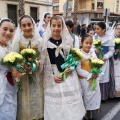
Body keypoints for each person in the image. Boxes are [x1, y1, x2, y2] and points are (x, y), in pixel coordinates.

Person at [41, 15, 85, 120]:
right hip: (53, 74)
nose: (56, 28)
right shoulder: (45, 42)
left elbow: (73, 58)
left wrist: (71, 67)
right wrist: (51, 76)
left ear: (63, 27)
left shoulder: (68, 41)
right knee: (56, 103)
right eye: (54, 25)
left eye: (59, 25)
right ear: (50, 26)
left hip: (68, 74)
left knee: (69, 102)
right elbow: (44, 63)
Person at [12, 15, 44, 120]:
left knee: (36, 96)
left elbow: (42, 57)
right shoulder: (17, 41)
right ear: (20, 27)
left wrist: (36, 64)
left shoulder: (39, 40)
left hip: (36, 75)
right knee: (24, 98)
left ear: (33, 25)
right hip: (23, 77)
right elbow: (14, 57)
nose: (27, 27)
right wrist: (21, 66)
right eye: (24, 25)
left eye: (29, 24)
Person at [76, 35, 101, 120]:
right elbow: (78, 69)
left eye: (90, 43)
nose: (88, 45)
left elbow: (96, 63)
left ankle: (90, 114)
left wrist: (96, 72)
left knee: (92, 96)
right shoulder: (78, 54)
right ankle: (83, 114)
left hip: (93, 79)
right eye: (86, 43)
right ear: (81, 43)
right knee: (84, 97)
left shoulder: (92, 52)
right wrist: (89, 75)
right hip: (83, 80)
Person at [0, 18, 17, 120]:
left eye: (11, 31)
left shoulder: (10, 47)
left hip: (10, 85)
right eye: (5, 29)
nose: (8, 33)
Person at [93, 22, 115, 101]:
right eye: (95, 29)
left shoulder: (109, 39)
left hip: (105, 61)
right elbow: (91, 48)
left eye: (98, 29)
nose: (96, 30)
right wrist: (95, 51)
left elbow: (111, 51)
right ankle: (95, 97)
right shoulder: (94, 37)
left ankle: (103, 97)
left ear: (103, 30)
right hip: (95, 60)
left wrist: (105, 57)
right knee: (95, 76)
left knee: (103, 77)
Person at [113, 23, 120, 97]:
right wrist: (115, 52)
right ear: (115, 30)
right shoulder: (112, 39)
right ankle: (115, 92)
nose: (119, 30)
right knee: (115, 75)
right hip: (114, 61)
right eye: (118, 28)